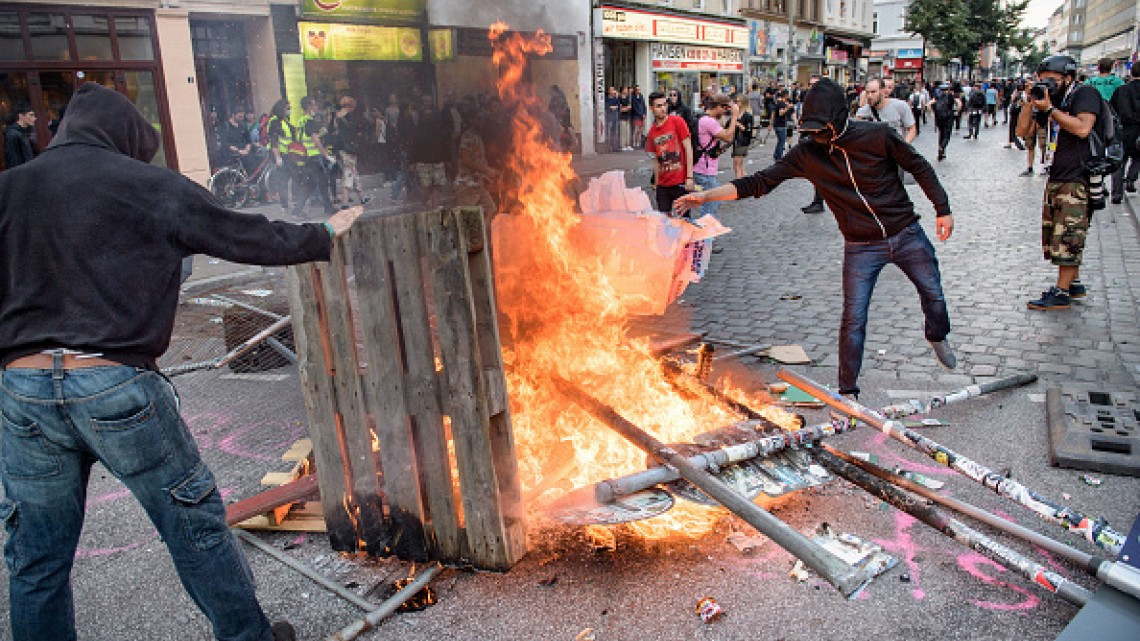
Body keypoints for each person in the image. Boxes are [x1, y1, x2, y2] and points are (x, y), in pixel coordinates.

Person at [0, 81, 363, 641]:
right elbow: (241, 235)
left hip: (22, 390)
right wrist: (321, 234)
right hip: (113, 381)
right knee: (194, 529)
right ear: (122, 136)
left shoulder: (10, 188)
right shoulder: (146, 186)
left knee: (36, 559)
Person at [673, 78, 956, 398]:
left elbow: (918, 166)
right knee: (853, 318)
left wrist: (942, 209)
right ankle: (848, 392)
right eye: (811, 130)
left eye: (822, 128)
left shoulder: (877, 136)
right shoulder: (808, 153)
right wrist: (705, 195)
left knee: (933, 294)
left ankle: (936, 335)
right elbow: (759, 182)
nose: (816, 135)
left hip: (906, 233)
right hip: (861, 246)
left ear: (837, 119)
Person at [1026, 55, 1101, 310]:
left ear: (1068, 77)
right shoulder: (1054, 101)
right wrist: (1032, 102)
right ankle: (1074, 283)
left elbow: (1082, 128)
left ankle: (1061, 292)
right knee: (1056, 232)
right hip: (1057, 175)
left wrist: (1050, 110)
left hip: (1077, 177)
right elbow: (1022, 131)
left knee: (1069, 235)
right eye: (1042, 79)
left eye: (1052, 80)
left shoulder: (1085, 94)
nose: (1047, 84)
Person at [644, 90, 695, 214]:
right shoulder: (652, 132)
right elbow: (656, 159)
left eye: (665, 104)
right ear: (651, 108)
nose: (663, 109)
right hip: (663, 185)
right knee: (663, 221)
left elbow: (688, 148)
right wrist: (656, 184)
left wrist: (689, 177)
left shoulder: (677, 121)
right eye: (658, 106)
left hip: (680, 182)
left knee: (684, 221)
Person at [692, 93, 739, 216]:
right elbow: (728, 137)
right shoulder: (708, 121)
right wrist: (734, 116)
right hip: (705, 170)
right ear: (718, 106)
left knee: (712, 203)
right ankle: (705, 234)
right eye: (725, 108)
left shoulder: (703, 118)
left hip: (702, 167)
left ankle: (703, 231)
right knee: (710, 209)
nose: (725, 112)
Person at [292, 96, 336, 217]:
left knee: (310, 184)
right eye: (314, 104)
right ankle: (328, 208)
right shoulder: (309, 121)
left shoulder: (301, 120)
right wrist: (326, 155)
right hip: (313, 156)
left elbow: (299, 138)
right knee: (322, 182)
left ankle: (297, 210)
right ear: (309, 106)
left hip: (306, 156)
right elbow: (315, 140)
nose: (316, 106)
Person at [330, 95, 367, 208]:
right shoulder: (349, 118)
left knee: (353, 172)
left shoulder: (334, 116)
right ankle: (345, 202)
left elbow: (331, 130)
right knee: (349, 173)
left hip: (339, 149)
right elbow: (353, 133)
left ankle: (362, 197)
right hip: (348, 150)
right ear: (350, 106)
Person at [1110, 64, 1140, 203]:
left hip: (1123, 130)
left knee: (1119, 161)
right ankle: (1131, 179)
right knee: (1138, 158)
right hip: (1138, 130)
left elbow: (1112, 110)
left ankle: (1116, 194)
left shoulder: (1121, 90)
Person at [856, 78, 917, 144]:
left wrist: (904, 146)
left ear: (882, 91)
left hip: (895, 150)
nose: (869, 96)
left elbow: (912, 129)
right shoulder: (862, 112)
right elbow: (858, 134)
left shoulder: (900, 106)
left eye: (873, 92)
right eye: (867, 92)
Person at [265, 99, 298, 212]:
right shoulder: (274, 121)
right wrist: (277, 157)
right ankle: (285, 205)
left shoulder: (285, 120)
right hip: (280, 154)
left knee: (290, 177)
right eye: (287, 108)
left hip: (288, 154)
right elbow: (274, 140)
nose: (289, 111)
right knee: (283, 179)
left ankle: (291, 203)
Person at [4, 103, 36, 169]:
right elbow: (13, 162)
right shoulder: (13, 134)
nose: (34, 118)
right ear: (21, 116)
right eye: (31, 115)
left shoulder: (23, 132)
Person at [731, 94, 754, 179]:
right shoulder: (736, 114)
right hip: (736, 140)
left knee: (737, 163)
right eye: (735, 101)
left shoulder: (747, 116)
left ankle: (739, 183)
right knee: (737, 164)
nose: (736, 103)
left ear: (743, 103)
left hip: (743, 141)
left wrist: (738, 124)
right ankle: (745, 180)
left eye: (737, 101)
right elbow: (726, 126)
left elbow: (748, 130)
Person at [932, 86, 957, 161]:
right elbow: (959, 104)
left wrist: (933, 113)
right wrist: (956, 111)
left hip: (939, 119)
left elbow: (930, 104)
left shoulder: (937, 96)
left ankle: (941, 152)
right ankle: (942, 147)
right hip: (948, 118)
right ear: (948, 89)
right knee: (947, 135)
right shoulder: (950, 96)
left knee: (941, 134)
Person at [769, 89, 792, 161]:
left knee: (780, 140)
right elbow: (780, 113)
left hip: (777, 124)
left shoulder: (778, 103)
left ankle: (776, 155)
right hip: (780, 125)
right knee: (782, 141)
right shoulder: (782, 104)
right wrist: (787, 108)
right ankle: (778, 156)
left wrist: (771, 124)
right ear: (786, 95)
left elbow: (773, 114)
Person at [630, 85, 647, 149]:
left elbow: (644, 105)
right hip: (636, 116)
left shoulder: (641, 96)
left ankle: (638, 143)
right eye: (637, 90)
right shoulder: (633, 97)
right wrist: (640, 114)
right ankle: (634, 143)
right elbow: (634, 107)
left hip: (642, 116)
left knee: (641, 130)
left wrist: (645, 113)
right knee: (636, 130)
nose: (638, 91)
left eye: (639, 90)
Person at [604, 87, 620, 152]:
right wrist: (612, 107)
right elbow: (607, 106)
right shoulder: (606, 98)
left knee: (615, 132)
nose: (613, 91)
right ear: (609, 91)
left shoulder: (615, 98)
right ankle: (608, 147)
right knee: (608, 132)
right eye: (611, 90)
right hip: (609, 116)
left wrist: (617, 97)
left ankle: (615, 147)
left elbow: (618, 106)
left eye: (613, 90)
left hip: (615, 116)